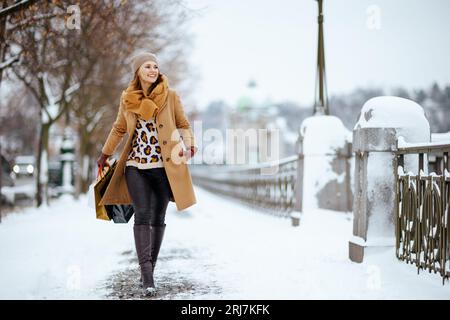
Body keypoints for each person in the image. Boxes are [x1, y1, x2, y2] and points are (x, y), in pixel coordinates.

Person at [97, 52, 198, 296]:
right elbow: (120, 127)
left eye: (155, 66)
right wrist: (105, 153)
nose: (153, 69)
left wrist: (189, 144)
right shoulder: (127, 98)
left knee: (158, 217)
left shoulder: (170, 96)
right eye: (147, 66)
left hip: (164, 167)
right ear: (137, 72)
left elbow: (183, 123)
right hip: (135, 165)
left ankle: (149, 267)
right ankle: (147, 275)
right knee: (142, 214)